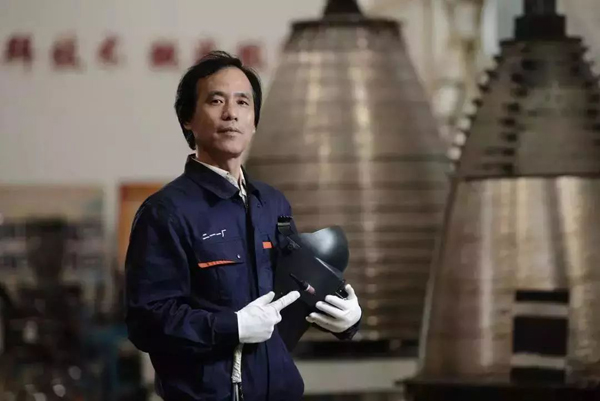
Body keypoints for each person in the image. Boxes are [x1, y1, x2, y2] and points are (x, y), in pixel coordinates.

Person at [125, 51, 362, 401]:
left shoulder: (273, 205)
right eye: (216, 101)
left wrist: (347, 319)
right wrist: (232, 326)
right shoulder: (166, 213)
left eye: (242, 102)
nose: (231, 113)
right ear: (188, 119)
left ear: (254, 121)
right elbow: (147, 322)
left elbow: (296, 292)